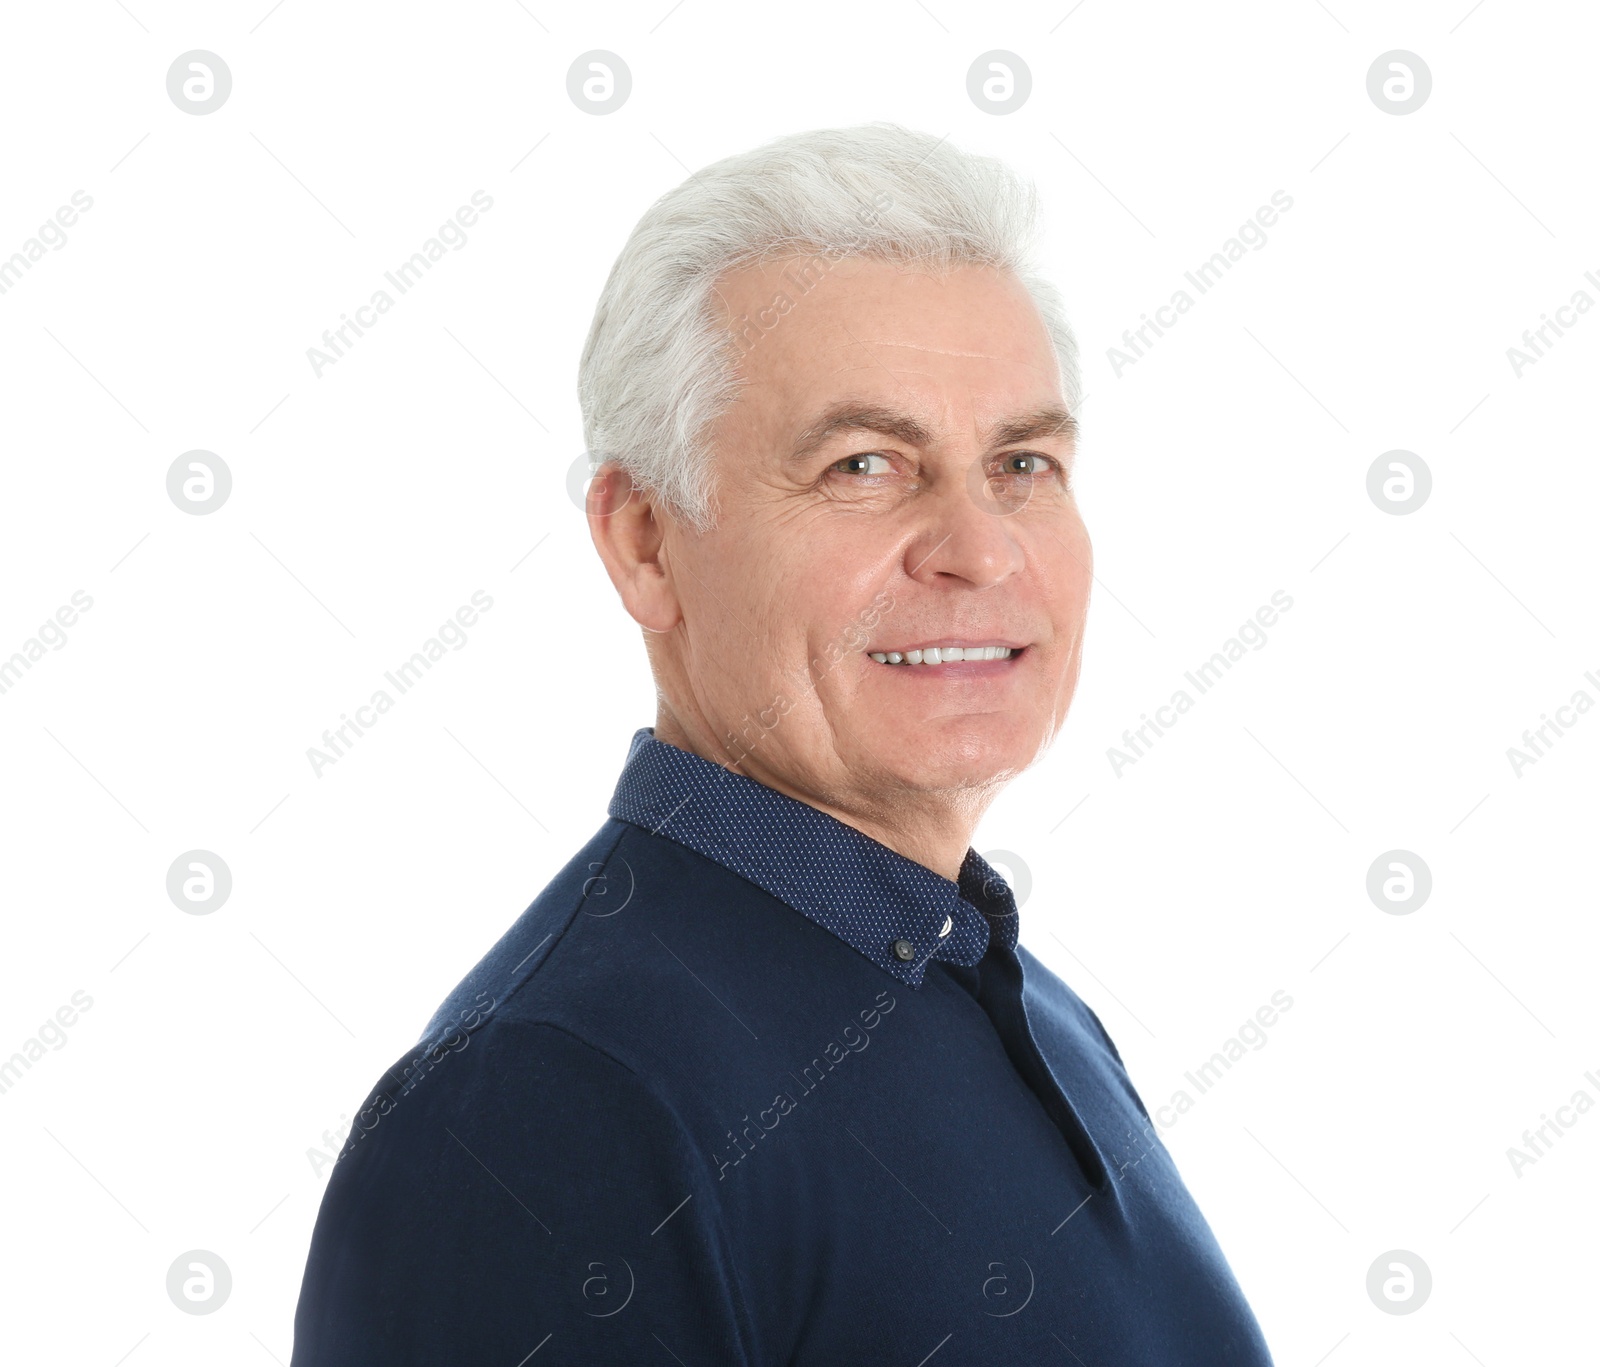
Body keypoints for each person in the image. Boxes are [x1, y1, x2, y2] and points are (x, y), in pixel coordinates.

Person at [291, 123, 1276, 1365]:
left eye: (1022, 462)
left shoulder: (1003, 988)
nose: (978, 548)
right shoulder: (547, 1106)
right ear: (646, 540)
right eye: (865, 465)